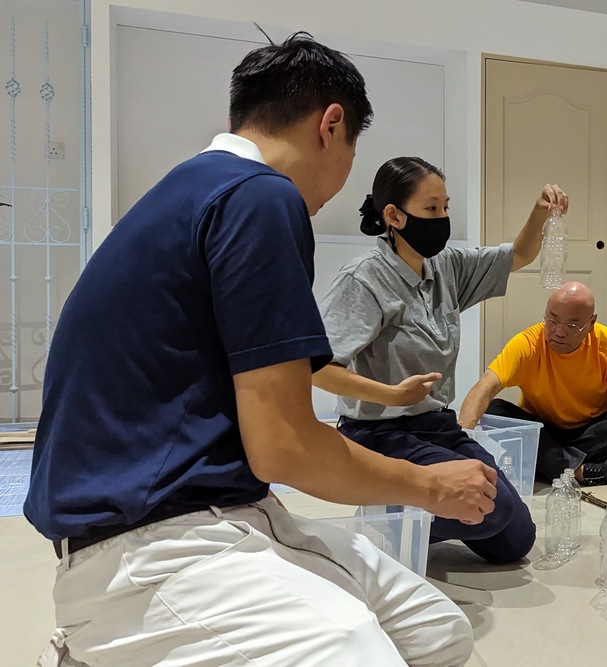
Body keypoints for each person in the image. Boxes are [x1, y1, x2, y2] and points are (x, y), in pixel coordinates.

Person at [25, 34, 488, 667]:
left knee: (439, 631)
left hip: (237, 509)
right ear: (331, 125)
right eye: (352, 150)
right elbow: (284, 445)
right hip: (149, 540)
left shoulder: (192, 189)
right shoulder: (261, 196)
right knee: (358, 651)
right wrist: (429, 486)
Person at [314, 156, 568, 564]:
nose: (442, 218)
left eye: (445, 207)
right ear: (394, 216)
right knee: (494, 509)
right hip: (380, 435)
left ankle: (412, 514)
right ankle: (387, 508)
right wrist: (391, 395)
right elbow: (318, 368)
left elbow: (518, 255)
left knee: (515, 540)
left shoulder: (446, 266)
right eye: (431, 208)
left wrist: (540, 213)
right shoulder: (364, 278)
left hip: (437, 427)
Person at [458, 281, 607, 487]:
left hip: (590, 432)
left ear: (591, 323)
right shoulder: (527, 344)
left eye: (572, 326)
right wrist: (458, 442)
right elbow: (485, 386)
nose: (559, 332)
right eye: (552, 320)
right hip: (542, 431)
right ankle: (579, 472)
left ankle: (549, 465)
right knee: (494, 409)